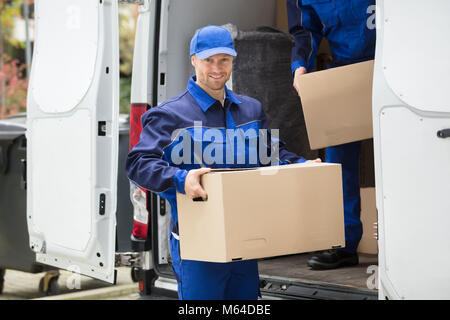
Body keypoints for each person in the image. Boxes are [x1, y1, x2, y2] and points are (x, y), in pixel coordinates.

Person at [126, 25, 320, 300]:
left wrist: (303, 167)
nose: (217, 68)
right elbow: (138, 163)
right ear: (193, 60)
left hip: (245, 239)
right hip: (197, 244)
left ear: (233, 60)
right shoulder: (169, 115)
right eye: (208, 61)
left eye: (224, 60)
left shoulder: (250, 109)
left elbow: (271, 152)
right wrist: (182, 180)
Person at [287, 0, 376, 270]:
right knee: (338, 161)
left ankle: (411, 239)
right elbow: (305, 30)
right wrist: (300, 65)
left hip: (390, 65)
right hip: (345, 70)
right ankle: (345, 246)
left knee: (400, 152)